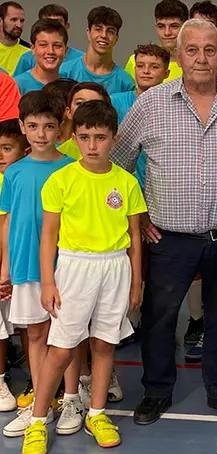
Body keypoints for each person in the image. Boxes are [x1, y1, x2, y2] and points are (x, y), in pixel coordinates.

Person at [111, 18, 217, 425]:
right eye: (192, 50)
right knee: (160, 317)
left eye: (210, 50)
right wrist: (141, 214)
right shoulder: (150, 104)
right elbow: (119, 163)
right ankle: (156, 391)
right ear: (177, 56)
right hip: (168, 237)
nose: (201, 58)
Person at [22, 100, 146, 454]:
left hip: (115, 267)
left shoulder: (126, 181)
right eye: (85, 137)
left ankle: (97, 412)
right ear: (73, 137)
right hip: (75, 267)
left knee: (105, 343)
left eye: (101, 137)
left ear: (114, 138)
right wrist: (48, 281)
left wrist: (136, 282)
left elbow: (135, 237)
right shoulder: (61, 180)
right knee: (60, 350)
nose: (93, 145)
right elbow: (48, 235)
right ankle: (37, 421)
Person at [0, 92, 80, 440]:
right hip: (25, 266)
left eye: (49, 126)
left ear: (60, 128)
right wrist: (5, 268)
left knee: (68, 335)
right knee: (35, 333)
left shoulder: (70, 169)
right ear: (22, 127)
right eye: (32, 126)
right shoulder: (14, 172)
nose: (41, 134)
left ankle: (73, 398)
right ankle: (41, 403)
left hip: (64, 267)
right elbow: (7, 222)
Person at [111, 44, 171, 187]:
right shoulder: (114, 101)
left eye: (154, 67)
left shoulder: (172, 107)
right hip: (121, 184)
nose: (146, 71)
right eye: (140, 66)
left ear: (166, 73)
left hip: (159, 185)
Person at [0, 118, 28, 413]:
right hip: (6, 268)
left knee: (26, 327)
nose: (0, 155)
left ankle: (39, 381)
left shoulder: (19, 178)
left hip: (22, 267)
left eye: (7, 148)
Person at [59, 7, 134, 95]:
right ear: (88, 33)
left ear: (116, 38)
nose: (104, 35)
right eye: (98, 29)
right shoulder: (65, 72)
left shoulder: (126, 82)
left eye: (110, 31)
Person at [124, 0, 187, 83]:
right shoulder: (137, 61)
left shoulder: (195, 64)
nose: (167, 32)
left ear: (186, 27)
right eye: (161, 26)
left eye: (174, 26)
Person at [13, 4, 84, 76]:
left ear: (66, 26)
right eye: (47, 22)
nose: (52, 26)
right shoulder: (26, 59)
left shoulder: (81, 59)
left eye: (57, 22)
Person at [57, 82, 112, 161]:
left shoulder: (117, 149)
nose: (86, 109)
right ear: (68, 112)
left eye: (95, 104)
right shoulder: (60, 153)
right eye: (79, 103)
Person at [14, 20, 69, 95]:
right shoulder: (16, 86)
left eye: (57, 46)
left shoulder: (70, 87)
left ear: (65, 51)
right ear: (33, 48)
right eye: (43, 45)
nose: (50, 51)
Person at [0, 2, 30, 75]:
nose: (19, 25)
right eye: (13, 20)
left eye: (22, 21)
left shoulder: (30, 52)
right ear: (0, 21)